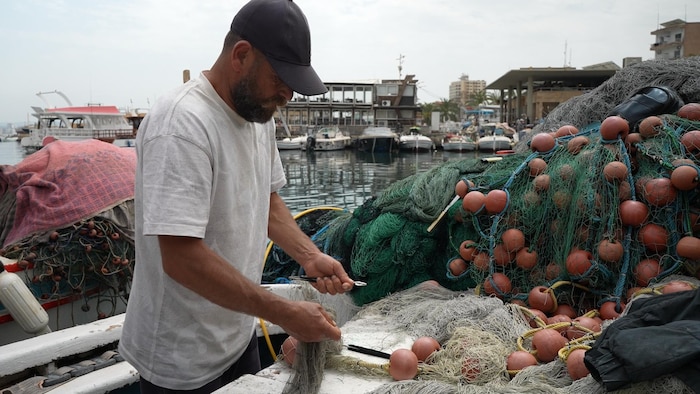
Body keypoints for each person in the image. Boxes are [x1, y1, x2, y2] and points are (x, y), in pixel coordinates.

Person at [118, 0, 355, 392]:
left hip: (237, 336)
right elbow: (181, 258)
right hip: (181, 359)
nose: (287, 96)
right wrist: (285, 313)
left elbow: (268, 201)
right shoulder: (181, 123)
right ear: (241, 55)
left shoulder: (258, 114)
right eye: (280, 81)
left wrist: (310, 256)